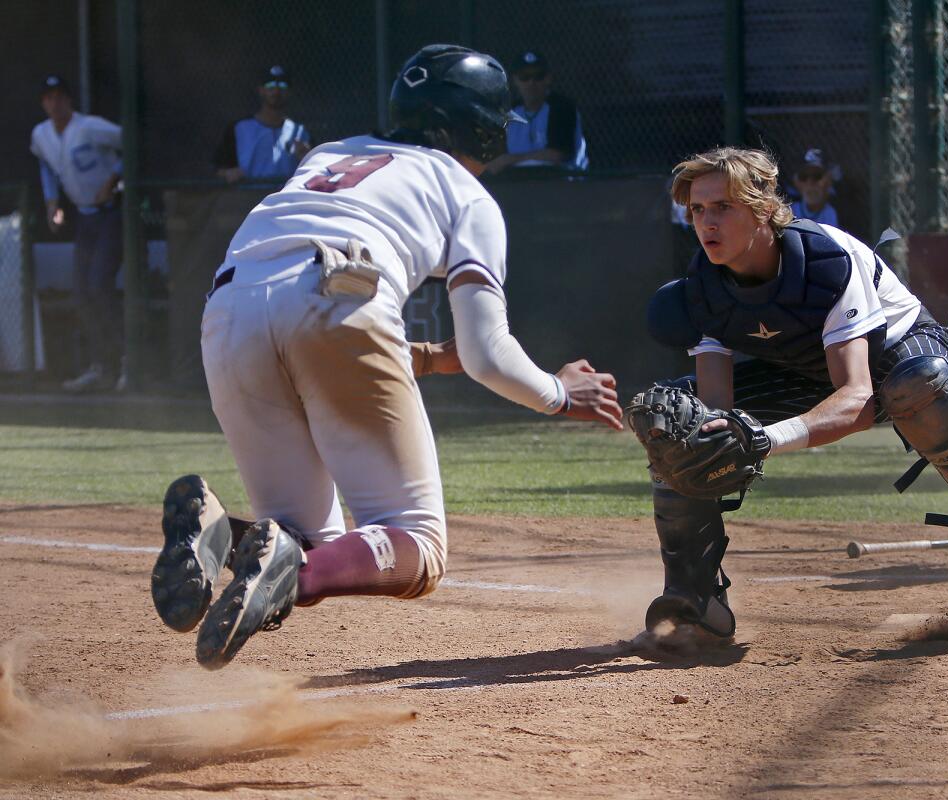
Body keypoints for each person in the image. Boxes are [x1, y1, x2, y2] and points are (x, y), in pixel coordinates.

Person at [151, 44, 623, 670]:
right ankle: (287, 574)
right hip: (338, 303)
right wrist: (561, 392)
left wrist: (424, 357)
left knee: (306, 542)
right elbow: (487, 354)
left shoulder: (329, 153)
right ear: (479, 125)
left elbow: (290, 287)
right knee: (416, 545)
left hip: (228, 310)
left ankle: (216, 537)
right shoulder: (467, 193)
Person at [631, 147, 948, 639]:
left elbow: (856, 399)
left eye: (722, 206)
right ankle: (696, 599)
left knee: (919, 385)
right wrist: (711, 441)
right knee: (674, 419)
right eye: (697, 210)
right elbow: (717, 408)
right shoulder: (704, 283)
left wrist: (763, 439)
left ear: (763, 207)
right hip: (804, 371)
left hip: (899, 353)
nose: (706, 222)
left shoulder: (825, 261)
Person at [29, 75, 125, 393]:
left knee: (99, 286)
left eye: (59, 97)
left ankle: (127, 363)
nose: (54, 104)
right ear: (43, 103)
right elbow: (45, 166)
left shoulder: (91, 126)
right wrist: (52, 202)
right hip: (84, 219)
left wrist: (112, 181)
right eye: (48, 98)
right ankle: (101, 365)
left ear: (69, 100)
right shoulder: (41, 134)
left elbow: (130, 144)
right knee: (83, 294)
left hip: (112, 214)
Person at [484, 50, 587, 174]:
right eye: (524, 77)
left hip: (562, 182)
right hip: (519, 184)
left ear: (548, 79)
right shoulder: (508, 112)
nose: (531, 83)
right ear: (515, 80)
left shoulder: (561, 108)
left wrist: (510, 160)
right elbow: (495, 162)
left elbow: (557, 156)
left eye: (539, 76)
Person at [214, 65, 311, 183]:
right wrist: (227, 173)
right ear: (261, 90)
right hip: (246, 195)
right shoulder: (239, 128)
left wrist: (306, 159)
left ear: (289, 92)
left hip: (286, 197)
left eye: (282, 86)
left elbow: (314, 172)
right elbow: (218, 168)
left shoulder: (300, 132)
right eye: (270, 86)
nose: (276, 91)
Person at [788, 147, 839, 227]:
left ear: (828, 181)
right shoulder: (789, 211)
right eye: (804, 177)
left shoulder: (833, 213)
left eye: (817, 176)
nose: (810, 183)